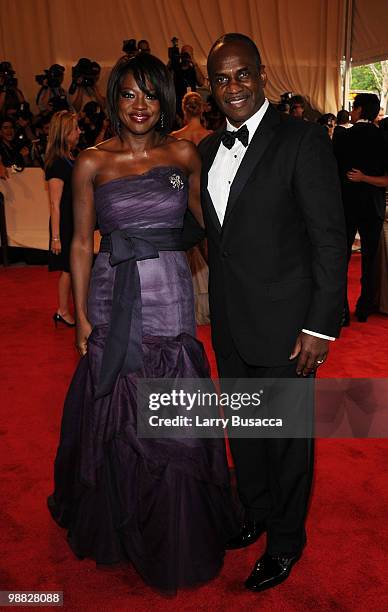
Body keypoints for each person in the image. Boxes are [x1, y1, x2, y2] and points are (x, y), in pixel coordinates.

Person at [47, 53, 236, 593]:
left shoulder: (183, 154)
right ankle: (118, 521)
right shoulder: (90, 161)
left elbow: (209, 224)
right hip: (112, 294)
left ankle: (175, 527)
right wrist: (81, 316)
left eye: (150, 94)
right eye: (128, 94)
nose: (139, 105)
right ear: (114, 100)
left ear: (166, 101)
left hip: (170, 294)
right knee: (118, 405)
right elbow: (82, 243)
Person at [200, 33, 347, 592]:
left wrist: (318, 326)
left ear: (261, 75)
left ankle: (286, 541)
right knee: (246, 429)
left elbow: (329, 241)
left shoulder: (302, 140)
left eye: (241, 75)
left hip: (290, 327)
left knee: (286, 440)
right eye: (221, 79)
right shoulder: (209, 151)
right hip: (233, 322)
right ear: (211, 87)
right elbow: (207, 228)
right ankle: (256, 512)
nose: (233, 86)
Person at [334, 93, 388, 324]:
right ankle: (365, 307)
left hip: (346, 207)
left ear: (359, 110)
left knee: (340, 259)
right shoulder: (383, 138)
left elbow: (332, 174)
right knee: (370, 259)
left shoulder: (342, 136)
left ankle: (341, 312)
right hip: (373, 208)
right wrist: (367, 178)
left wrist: (360, 177)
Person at [171, 91, 212, 324]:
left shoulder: (174, 138)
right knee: (211, 255)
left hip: (182, 201)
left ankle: (183, 306)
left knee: (181, 257)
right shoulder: (211, 136)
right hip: (206, 201)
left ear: (184, 110)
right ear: (202, 109)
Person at [45, 110, 81, 327]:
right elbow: (54, 204)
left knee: (73, 268)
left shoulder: (69, 158)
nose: (79, 132)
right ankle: (63, 310)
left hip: (73, 221)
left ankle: (68, 309)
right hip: (64, 224)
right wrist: (56, 237)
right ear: (65, 133)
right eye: (75, 129)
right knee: (68, 269)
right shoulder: (57, 163)